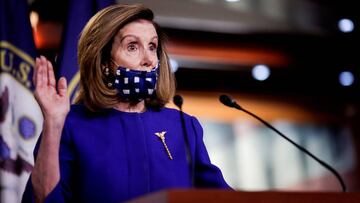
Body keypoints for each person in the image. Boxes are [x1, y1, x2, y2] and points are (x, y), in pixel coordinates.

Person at [22, 3, 231, 203]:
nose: (149, 59)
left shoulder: (184, 126)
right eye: (132, 46)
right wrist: (53, 122)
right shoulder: (70, 125)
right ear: (104, 62)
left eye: (152, 46)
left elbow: (222, 198)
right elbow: (43, 199)